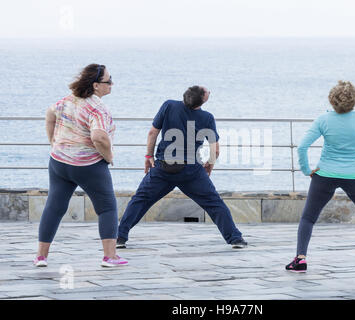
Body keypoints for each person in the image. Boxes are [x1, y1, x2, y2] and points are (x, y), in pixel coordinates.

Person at [285, 81, 355, 273]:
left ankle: (301, 259)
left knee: (308, 218)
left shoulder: (323, 120)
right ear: (354, 100)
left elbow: (302, 147)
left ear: (332, 99)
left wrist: (307, 170)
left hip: (324, 176)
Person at [117, 86, 247, 249]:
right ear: (203, 101)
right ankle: (235, 239)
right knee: (214, 203)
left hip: (163, 167)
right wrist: (209, 165)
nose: (209, 92)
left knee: (140, 200)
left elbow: (152, 133)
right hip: (191, 170)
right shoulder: (207, 117)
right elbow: (216, 149)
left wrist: (148, 156)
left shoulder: (169, 105)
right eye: (207, 91)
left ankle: (120, 237)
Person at [33, 64, 128, 268]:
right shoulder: (97, 108)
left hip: (58, 162)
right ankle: (110, 257)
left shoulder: (66, 100)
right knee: (107, 208)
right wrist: (109, 155)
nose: (112, 84)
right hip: (88, 165)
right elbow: (99, 137)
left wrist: (54, 141)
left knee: (54, 206)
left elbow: (49, 115)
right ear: (95, 85)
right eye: (108, 81)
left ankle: (41, 257)